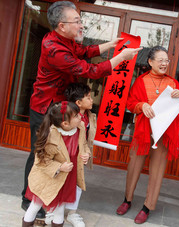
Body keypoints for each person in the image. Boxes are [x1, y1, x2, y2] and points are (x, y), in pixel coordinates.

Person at [22, 1, 141, 218]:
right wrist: (121, 58)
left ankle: (49, 198)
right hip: (45, 108)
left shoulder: (66, 40)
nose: (81, 24)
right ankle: (28, 199)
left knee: (60, 154)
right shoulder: (54, 48)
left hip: (61, 107)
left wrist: (111, 44)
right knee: (40, 154)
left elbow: (85, 51)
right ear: (61, 25)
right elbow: (89, 70)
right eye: (76, 21)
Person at [115, 46, 179, 224]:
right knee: (134, 167)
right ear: (150, 62)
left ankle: (148, 206)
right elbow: (131, 103)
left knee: (157, 172)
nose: (164, 64)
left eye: (166, 61)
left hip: (163, 133)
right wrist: (141, 106)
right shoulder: (141, 81)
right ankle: (127, 199)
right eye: (160, 60)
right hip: (142, 131)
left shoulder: (172, 83)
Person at [22, 101, 90, 227]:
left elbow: (83, 144)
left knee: (60, 207)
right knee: (36, 205)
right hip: (48, 178)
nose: (80, 117)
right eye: (75, 116)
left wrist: (85, 154)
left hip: (67, 177)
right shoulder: (50, 135)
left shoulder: (80, 127)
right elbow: (41, 160)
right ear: (65, 123)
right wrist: (59, 167)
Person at [45, 83, 96, 226]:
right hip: (63, 157)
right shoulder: (63, 116)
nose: (92, 100)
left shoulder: (90, 116)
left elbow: (86, 141)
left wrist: (86, 153)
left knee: (78, 183)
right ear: (78, 102)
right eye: (88, 97)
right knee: (58, 181)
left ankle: (72, 213)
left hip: (79, 157)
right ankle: (51, 209)